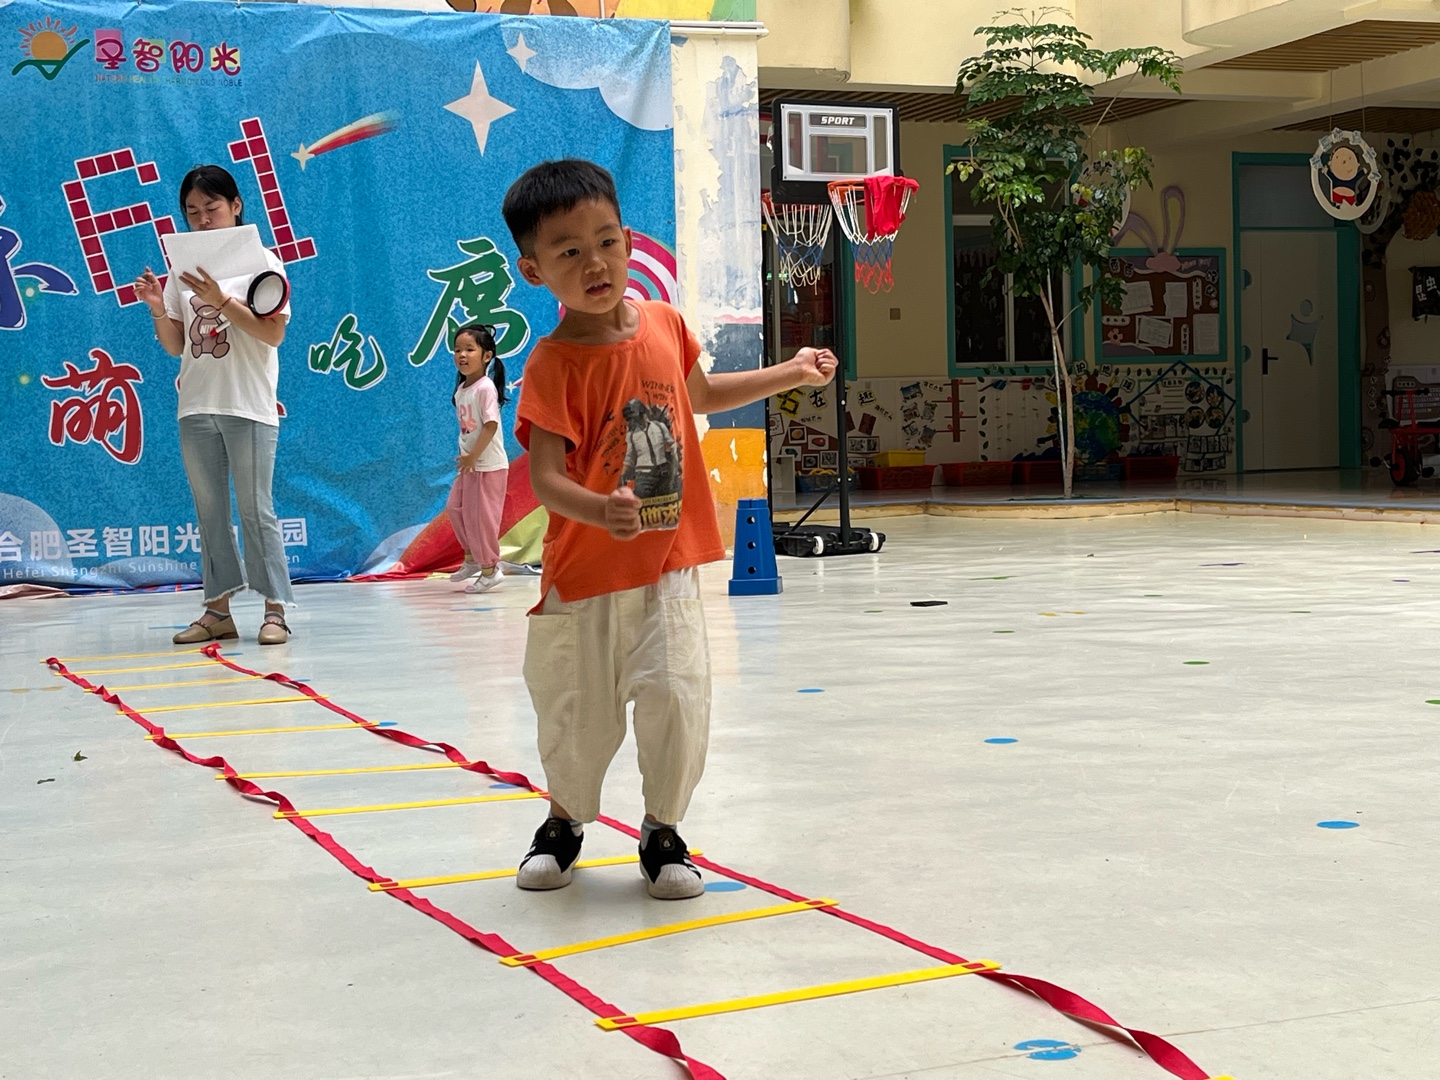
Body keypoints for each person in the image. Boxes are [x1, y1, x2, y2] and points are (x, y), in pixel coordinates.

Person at [502, 159, 837, 899]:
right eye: (568, 252)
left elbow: (703, 394)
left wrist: (791, 371)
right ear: (534, 271)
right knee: (577, 713)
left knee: (677, 698)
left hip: (669, 565)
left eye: (606, 241)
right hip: (584, 578)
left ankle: (663, 831)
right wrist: (600, 510)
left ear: (628, 241)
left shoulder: (664, 323)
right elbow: (547, 479)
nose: (595, 263)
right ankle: (564, 819)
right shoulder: (553, 363)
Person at [132, 165, 295, 646]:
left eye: (212, 207)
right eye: (192, 211)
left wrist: (221, 299)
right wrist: (157, 306)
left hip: (248, 403)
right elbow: (175, 345)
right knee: (210, 512)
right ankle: (217, 611)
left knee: (255, 509)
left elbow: (272, 333)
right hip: (196, 403)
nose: (203, 219)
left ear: (236, 205)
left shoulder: (263, 261)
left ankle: (275, 610)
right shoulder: (181, 268)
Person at [446, 323, 509, 592]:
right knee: (455, 508)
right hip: (470, 465)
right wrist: (468, 458)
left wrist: (473, 456)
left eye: (469, 349)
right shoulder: (463, 389)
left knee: (482, 521)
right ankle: (471, 559)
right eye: (457, 349)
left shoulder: (485, 388)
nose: (462, 355)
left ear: (487, 356)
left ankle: (490, 570)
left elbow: (491, 425)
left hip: (487, 466)